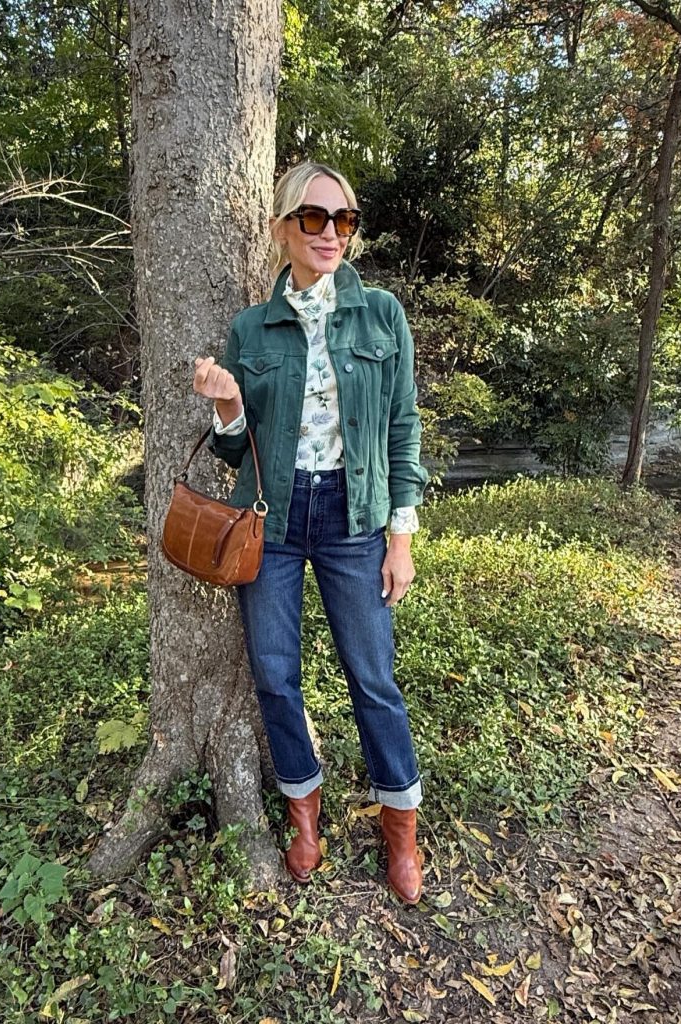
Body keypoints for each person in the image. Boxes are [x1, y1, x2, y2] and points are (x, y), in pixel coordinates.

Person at [192, 162, 429, 904]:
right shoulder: (249, 329)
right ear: (282, 229)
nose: (331, 233)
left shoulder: (382, 314)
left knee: (373, 678)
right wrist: (228, 406)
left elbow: (402, 427)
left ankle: (402, 831)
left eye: (344, 219)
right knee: (273, 673)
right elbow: (236, 448)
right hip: (274, 520)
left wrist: (401, 535)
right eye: (314, 218)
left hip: (356, 519)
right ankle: (304, 814)